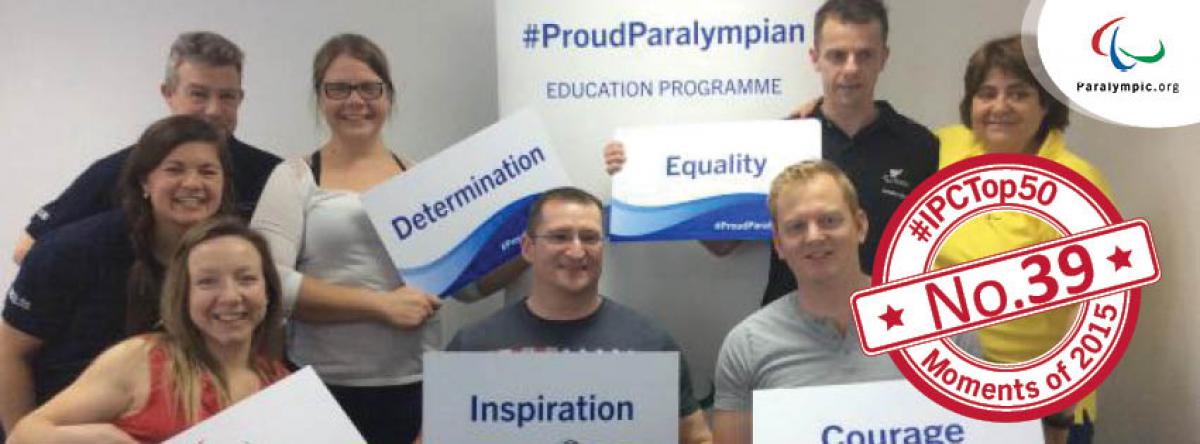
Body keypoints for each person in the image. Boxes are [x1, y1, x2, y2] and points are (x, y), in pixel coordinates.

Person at [250, 33, 519, 443]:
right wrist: (381, 306)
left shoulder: (422, 180)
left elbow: (467, 287)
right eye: (338, 88)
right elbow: (269, 280)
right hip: (321, 384)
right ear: (320, 97)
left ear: (388, 96)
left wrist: (530, 246)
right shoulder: (296, 177)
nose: (355, 101)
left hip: (415, 384)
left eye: (369, 88)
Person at [603, 0, 938, 307]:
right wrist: (643, 174)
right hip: (795, 332)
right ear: (815, 58)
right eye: (837, 55)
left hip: (890, 324)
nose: (850, 68)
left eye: (864, 55)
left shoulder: (921, 147)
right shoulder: (780, 141)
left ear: (884, 58)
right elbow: (722, 245)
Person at [710, 161, 978, 443]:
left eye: (829, 220)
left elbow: (981, 433)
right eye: (797, 226)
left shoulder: (942, 324)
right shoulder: (747, 345)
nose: (814, 236)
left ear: (860, 225)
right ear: (778, 244)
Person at [0, 115, 235, 434]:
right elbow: (9, 352)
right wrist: (25, 436)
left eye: (208, 171)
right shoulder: (71, 251)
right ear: (144, 183)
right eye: (174, 169)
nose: (193, 183)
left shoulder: (233, 259)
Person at [935, 35, 1110, 444]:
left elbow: (1093, 316)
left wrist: (1056, 418)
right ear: (971, 103)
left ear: (1044, 104)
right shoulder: (945, 147)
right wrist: (810, 117)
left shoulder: (1078, 183)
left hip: (1041, 403)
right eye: (987, 93)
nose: (999, 107)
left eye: (1018, 94)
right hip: (955, 390)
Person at [446, 187, 713, 444]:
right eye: (559, 236)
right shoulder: (472, 347)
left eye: (589, 237)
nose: (576, 251)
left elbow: (697, 438)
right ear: (528, 248)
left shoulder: (651, 344)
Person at [6, 217, 288, 443]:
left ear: (268, 291)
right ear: (184, 294)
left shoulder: (281, 385)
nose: (230, 296)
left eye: (246, 279)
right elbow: (23, 436)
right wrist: (99, 438)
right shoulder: (141, 360)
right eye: (207, 282)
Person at [10, 31, 280, 265]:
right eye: (198, 94)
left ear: (240, 99)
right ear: (168, 93)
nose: (213, 110)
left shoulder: (274, 175)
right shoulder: (116, 170)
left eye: (227, 96)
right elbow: (27, 250)